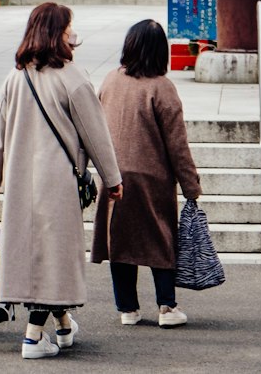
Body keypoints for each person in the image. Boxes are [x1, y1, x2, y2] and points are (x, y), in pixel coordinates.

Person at [0, 2, 123, 360]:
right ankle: (32, 337)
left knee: (36, 256)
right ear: (56, 33)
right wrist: (112, 177)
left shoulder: (15, 78)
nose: (72, 34)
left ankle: (63, 326)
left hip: (19, 182)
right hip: (58, 182)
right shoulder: (72, 78)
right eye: (68, 27)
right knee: (52, 256)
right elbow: (96, 134)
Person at [90, 17, 201, 329]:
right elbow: (177, 145)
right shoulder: (162, 87)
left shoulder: (111, 80)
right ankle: (167, 307)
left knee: (120, 242)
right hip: (152, 177)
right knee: (161, 240)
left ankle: (127, 308)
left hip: (113, 175)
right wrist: (191, 186)